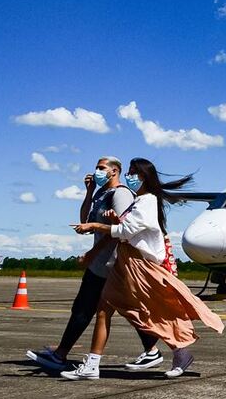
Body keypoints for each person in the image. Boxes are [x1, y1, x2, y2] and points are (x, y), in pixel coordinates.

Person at [62, 158, 224, 380]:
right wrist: (113, 220)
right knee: (105, 311)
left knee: (153, 312)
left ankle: (178, 352)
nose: (130, 177)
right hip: (127, 263)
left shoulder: (147, 201)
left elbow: (128, 231)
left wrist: (97, 225)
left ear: (144, 177)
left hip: (141, 266)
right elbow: (129, 228)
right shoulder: (140, 200)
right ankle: (93, 364)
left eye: (133, 173)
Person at [26, 156, 162, 372]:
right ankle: (152, 351)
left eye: (101, 168)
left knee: (91, 309)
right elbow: (84, 219)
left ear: (114, 171)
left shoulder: (121, 194)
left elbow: (119, 231)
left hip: (111, 263)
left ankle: (65, 356)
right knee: (103, 308)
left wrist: (91, 253)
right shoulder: (102, 193)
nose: (96, 171)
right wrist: (89, 192)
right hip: (100, 263)